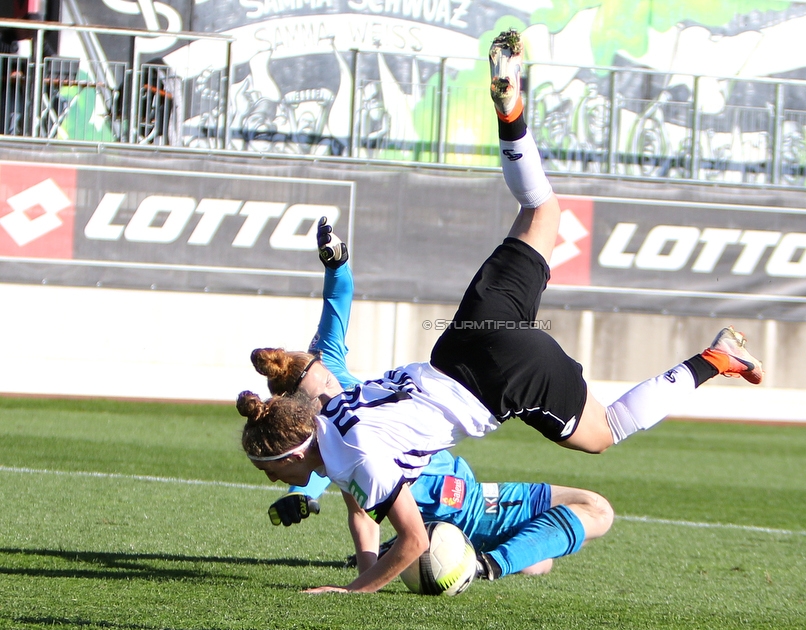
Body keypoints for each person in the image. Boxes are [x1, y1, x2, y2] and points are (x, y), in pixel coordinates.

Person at [237, 28, 764, 594]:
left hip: (498, 380)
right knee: (541, 207)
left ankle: (716, 359)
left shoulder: (352, 460)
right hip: (464, 339)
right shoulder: (327, 408)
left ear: (294, 453)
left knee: (605, 430)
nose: (275, 479)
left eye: (273, 471)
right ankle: (511, 111)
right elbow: (314, 370)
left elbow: (412, 542)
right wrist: (284, 358)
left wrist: (353, 591)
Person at [261, 218, 614, 582]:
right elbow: (325, 468)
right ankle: (471, 561)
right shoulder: (339, 421)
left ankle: (460, 556)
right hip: (453, 503)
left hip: (464, 490)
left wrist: (336, 263)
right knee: (591, 513)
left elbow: (336, 303)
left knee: (540, 560)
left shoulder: (332, 401)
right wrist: (303, 493)